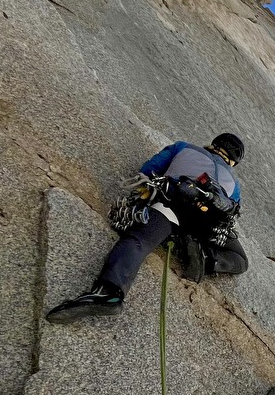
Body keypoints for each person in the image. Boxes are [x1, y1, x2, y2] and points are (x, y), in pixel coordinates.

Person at [46, 132, 249, 322]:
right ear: (233, 161)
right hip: (208, 222)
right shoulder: (235, 183)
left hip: (174, 202)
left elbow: (148, 170)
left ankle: (108, 293)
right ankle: (205, 257)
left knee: (139, 241)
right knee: (239, 260)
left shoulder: (183, 147)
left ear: (214, 145)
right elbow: (231, 214)